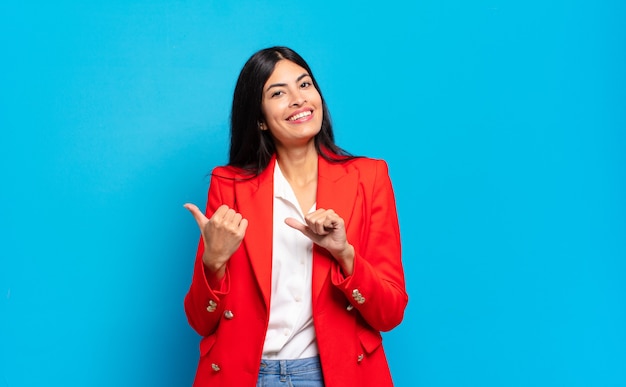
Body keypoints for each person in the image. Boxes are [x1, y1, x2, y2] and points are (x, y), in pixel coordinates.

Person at [183, 46, 408, 387]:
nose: (298, 99)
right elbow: (201, 322)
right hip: (244, 376)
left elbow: (389, 313)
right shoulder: (229, 185)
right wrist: (213, 263)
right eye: (278, 93)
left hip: (334, 375)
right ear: (259, 117)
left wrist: (344, 254)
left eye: (304, 85)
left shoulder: (368, 177)